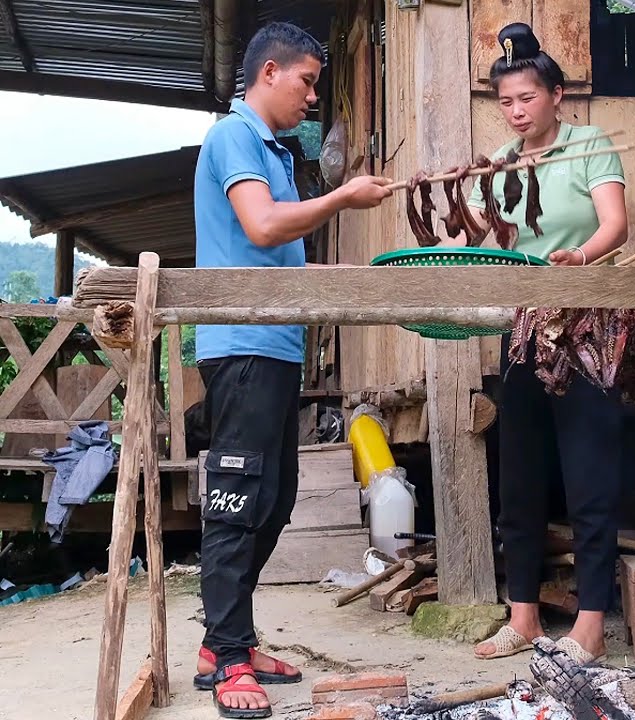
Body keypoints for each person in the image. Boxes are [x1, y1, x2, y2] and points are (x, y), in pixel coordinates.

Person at [192, 21, 393, 719]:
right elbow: (263, 228)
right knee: (238, 501)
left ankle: (229, 642)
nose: (313, 97)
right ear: (269, 73)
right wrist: (341, 199)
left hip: (275, 348)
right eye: (307, 81)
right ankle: (227, 659)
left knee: (274, 503)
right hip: (241, 345)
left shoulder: (274, 152)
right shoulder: (234, 137)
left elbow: (285, 251)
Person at [461, 22, 629, 665]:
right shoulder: (500, 165)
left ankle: (589, 624)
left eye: (527, 97)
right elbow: (474, 235)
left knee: (588, 473)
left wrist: (577, 258)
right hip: (524, 332)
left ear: (557, 95)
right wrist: (449, 199)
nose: (517, 111)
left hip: (587, 327)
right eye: (506, 102)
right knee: (521, 473)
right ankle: (523, 616)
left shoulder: (590, 146)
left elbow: (615, 224)